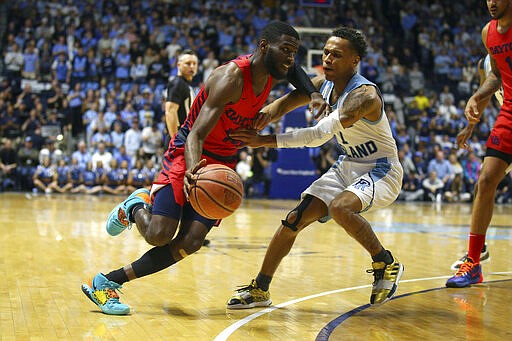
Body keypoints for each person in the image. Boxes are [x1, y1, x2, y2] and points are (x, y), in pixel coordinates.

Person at [81, 21, 327, 315]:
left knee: (192, 241)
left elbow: (298, 74)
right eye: (285, 50)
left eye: (294, 52)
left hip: (224, 160)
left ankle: (107, 282)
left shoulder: (276, 70)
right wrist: (192, 170)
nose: (290, 58)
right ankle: (135, 207)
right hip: (190, 152)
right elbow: (195, 134)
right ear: (264, 47)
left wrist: (311, 95)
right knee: (160, 234)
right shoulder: (231, 77)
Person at [226, 26, 404, 309]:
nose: (328, 59)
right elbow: (286, 102)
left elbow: (317, 136)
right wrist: (261, 116)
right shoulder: (325, 84)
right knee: (294, 220)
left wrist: (263, 141)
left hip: (380, 169)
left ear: (354, 60)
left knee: (340, 208)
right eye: (326, 53)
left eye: (336, 55)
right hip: (348, 163)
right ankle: (260, 289)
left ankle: (385, 262)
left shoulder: (365, 96)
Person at [446, 0, 512, 288]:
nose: (491, 2)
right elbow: (496, 76)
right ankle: (474, 261)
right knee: (485, 180)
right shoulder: (489, 33)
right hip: (508, 111)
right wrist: (475, 99)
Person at [449, 54, 502, 271]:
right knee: (484, 182)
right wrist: (469, 127)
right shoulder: (485, 63)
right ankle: (477, 251)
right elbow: (485, 94)